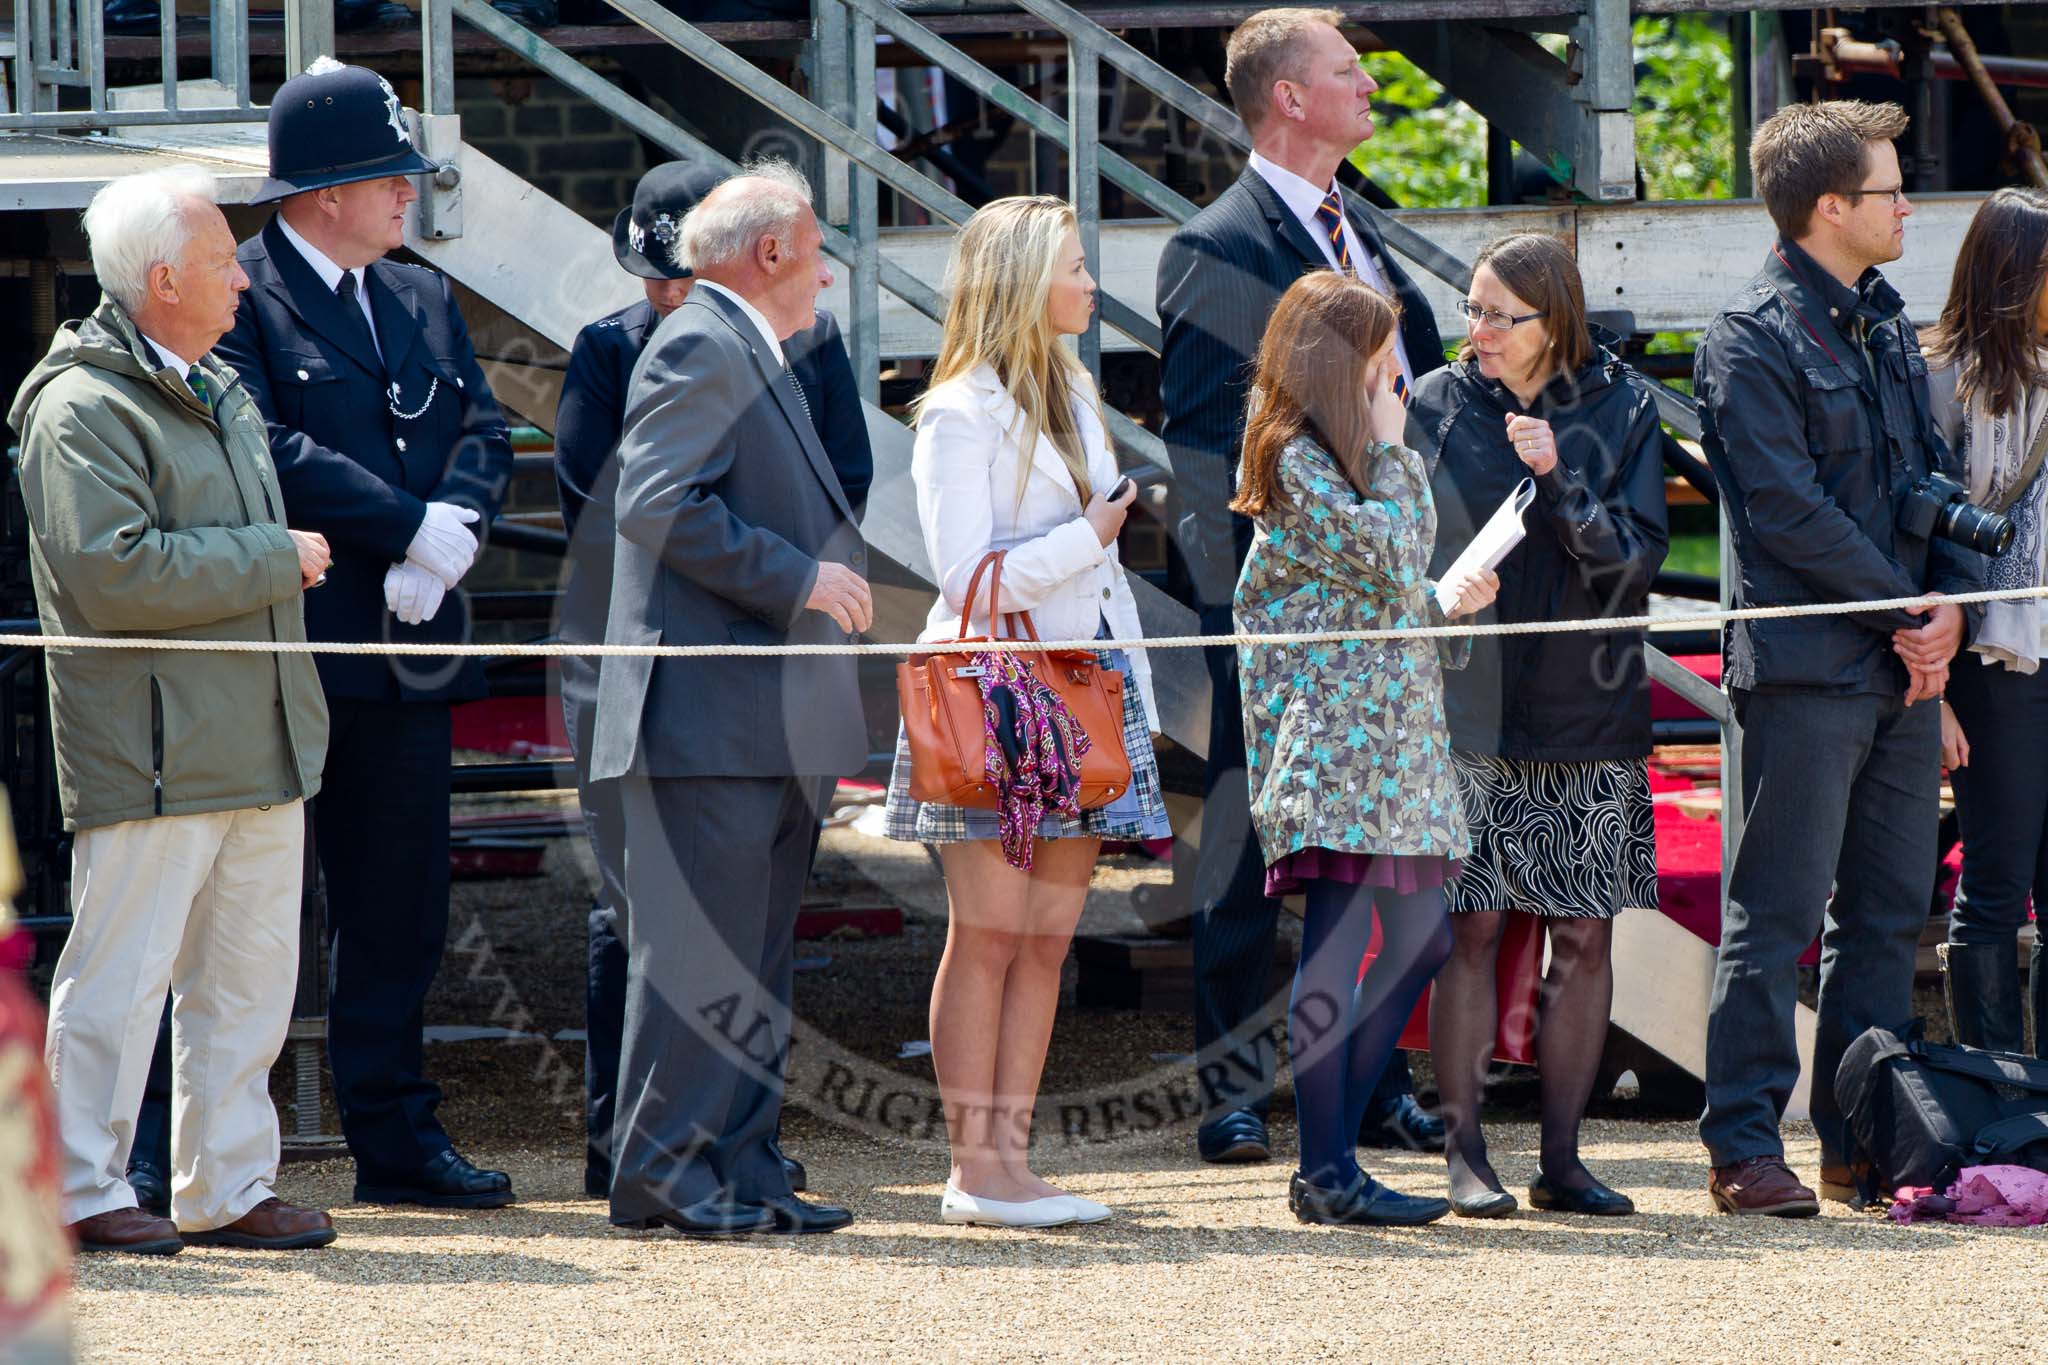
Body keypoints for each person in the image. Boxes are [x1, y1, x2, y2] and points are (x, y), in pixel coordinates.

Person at [13, 166, 335, 1255]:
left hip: (255, 738)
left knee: (248, 987)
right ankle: (80, 1189)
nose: (243, 280)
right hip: (150, 748)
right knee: (117, 982)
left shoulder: (217, 385)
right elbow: (113, 574)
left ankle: (228, 1186)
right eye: (222, 262)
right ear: (162, 280)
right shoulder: (79, 409)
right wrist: (272, 558)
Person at [213, 58, 516, 1210]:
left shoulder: (421, 296)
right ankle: (216, 1150)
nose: (409, 196)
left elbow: (481, 426)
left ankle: (396, 1137)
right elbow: (268, 451)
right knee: (254, 917)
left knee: (400, 909)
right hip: (295, 652)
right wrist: (406, 527)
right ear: (327, 190)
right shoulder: (241, 295)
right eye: (392, 177)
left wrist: (460, 528)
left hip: (407, 645)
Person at [1156, 5, 1448, 1166]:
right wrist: (1244, 621)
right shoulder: (1213, 247)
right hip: (1283, 617)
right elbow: (1200, 448)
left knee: (1381, 853)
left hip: (1388, 598)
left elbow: (1413, 394)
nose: (1368, 86)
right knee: (1246, 848)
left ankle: (1373, 1089)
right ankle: (1228, 1088)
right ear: (1287, 96)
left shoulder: (1360, 229)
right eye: (1346, 70)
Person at [555, 158, 871, 1199]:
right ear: (770, 251)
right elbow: (652, 500)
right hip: (706, 714)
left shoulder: (745, 342)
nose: (825, 275)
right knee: (701, 966)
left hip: (754, 715)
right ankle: (667, 1173)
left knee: (751, 963)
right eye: (817, 251)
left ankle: (737, 1164)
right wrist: (800, 578)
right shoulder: (699, 339)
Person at [1694, 100, 1984, 1216]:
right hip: (1813, 669)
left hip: (1898, 668)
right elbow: (1782, 513)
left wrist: (1950, 611)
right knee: (1772, 916)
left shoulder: (1878, 319)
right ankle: (1740, 1146)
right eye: (1886, 188)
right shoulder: (1750, 334)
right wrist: (1906, 610)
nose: (1905, 203)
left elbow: (1929, 485)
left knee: (1879, 917)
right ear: (1828, 206)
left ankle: (1860, 1142)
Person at [880, 196, 1172, 1229]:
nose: (1092, 284)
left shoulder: (1073, 394)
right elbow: (963, 579)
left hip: (1083, 692)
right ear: (1021, 282)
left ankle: (1011, 1161)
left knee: (1047, 941)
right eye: (1077, 267)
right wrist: (1090, 536)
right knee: (990, 935)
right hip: (995, 700)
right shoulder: (958, 409)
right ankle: (976, 1166)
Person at [1412, 233, 1669, 1218]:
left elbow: (1631, 567)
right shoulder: (1434, 403)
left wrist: (1560, 477)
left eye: (1496, 315)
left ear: (1549, 322)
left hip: (1585, 705)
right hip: (1463, 706)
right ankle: (1462, 1154)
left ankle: (1561, 1159)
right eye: (1469, 308)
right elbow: (1400, 546)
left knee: (1582, 935)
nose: (1474, 331)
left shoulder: (1622, 403)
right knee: (1467, 929)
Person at [1232, 271, 1495, 1225]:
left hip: (1397, 736)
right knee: (1340, 943)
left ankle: (1335, 1145)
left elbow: (1398, 575)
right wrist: (1395, 455)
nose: (1399, 370)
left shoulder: (1357, 453)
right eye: (1383, 351)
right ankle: (1328, 1165)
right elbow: (1390, 560)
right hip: (1337, 741)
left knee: (1423, 936)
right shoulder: (1297, 456)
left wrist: (1444, 599)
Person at [1922, 187, 2048, 1055]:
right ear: (2015, 276)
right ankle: (1999, 1102)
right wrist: (1932, 692)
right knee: (1996, 883)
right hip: (1990, 656)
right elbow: (1916, 537)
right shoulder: (1939, 378)